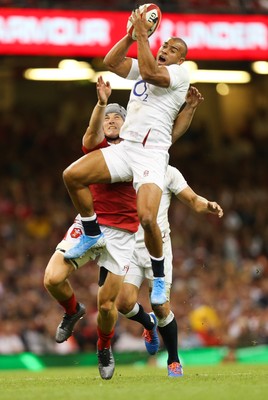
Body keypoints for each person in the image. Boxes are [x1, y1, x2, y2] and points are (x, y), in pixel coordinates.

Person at [62, 7, 191, 308]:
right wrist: (130, 35)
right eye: (165, 45)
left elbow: (149, 72)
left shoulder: (178, 74)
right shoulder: (147, 65)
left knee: (147, 218)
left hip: (152, 155)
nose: (166, 50)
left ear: (181, 59)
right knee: (72, 176)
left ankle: (158, 276)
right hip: (127, 148)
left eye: (173, 50)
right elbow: (111, 62)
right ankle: (92, 231)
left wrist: (144, 36)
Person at [44, 76, 139, 380]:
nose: (111, 121)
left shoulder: (136, 151)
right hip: (91, 223)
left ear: (127, 124)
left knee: (108, 306)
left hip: (122, 231)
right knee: (52, 279)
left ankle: (104, 346)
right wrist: (100, 103)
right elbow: (89, 134)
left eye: (117, 117)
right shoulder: (97, 147)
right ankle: (73, 311)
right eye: (107, 117)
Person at [116, 165, 223, 377]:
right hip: (130, 249)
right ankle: (148, 323)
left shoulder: (168, 171)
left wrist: (207, 204)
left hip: (159, 249)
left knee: (161, 307)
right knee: (124, 303)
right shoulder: (125, 166)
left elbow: (192, 199)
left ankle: (173, 360)